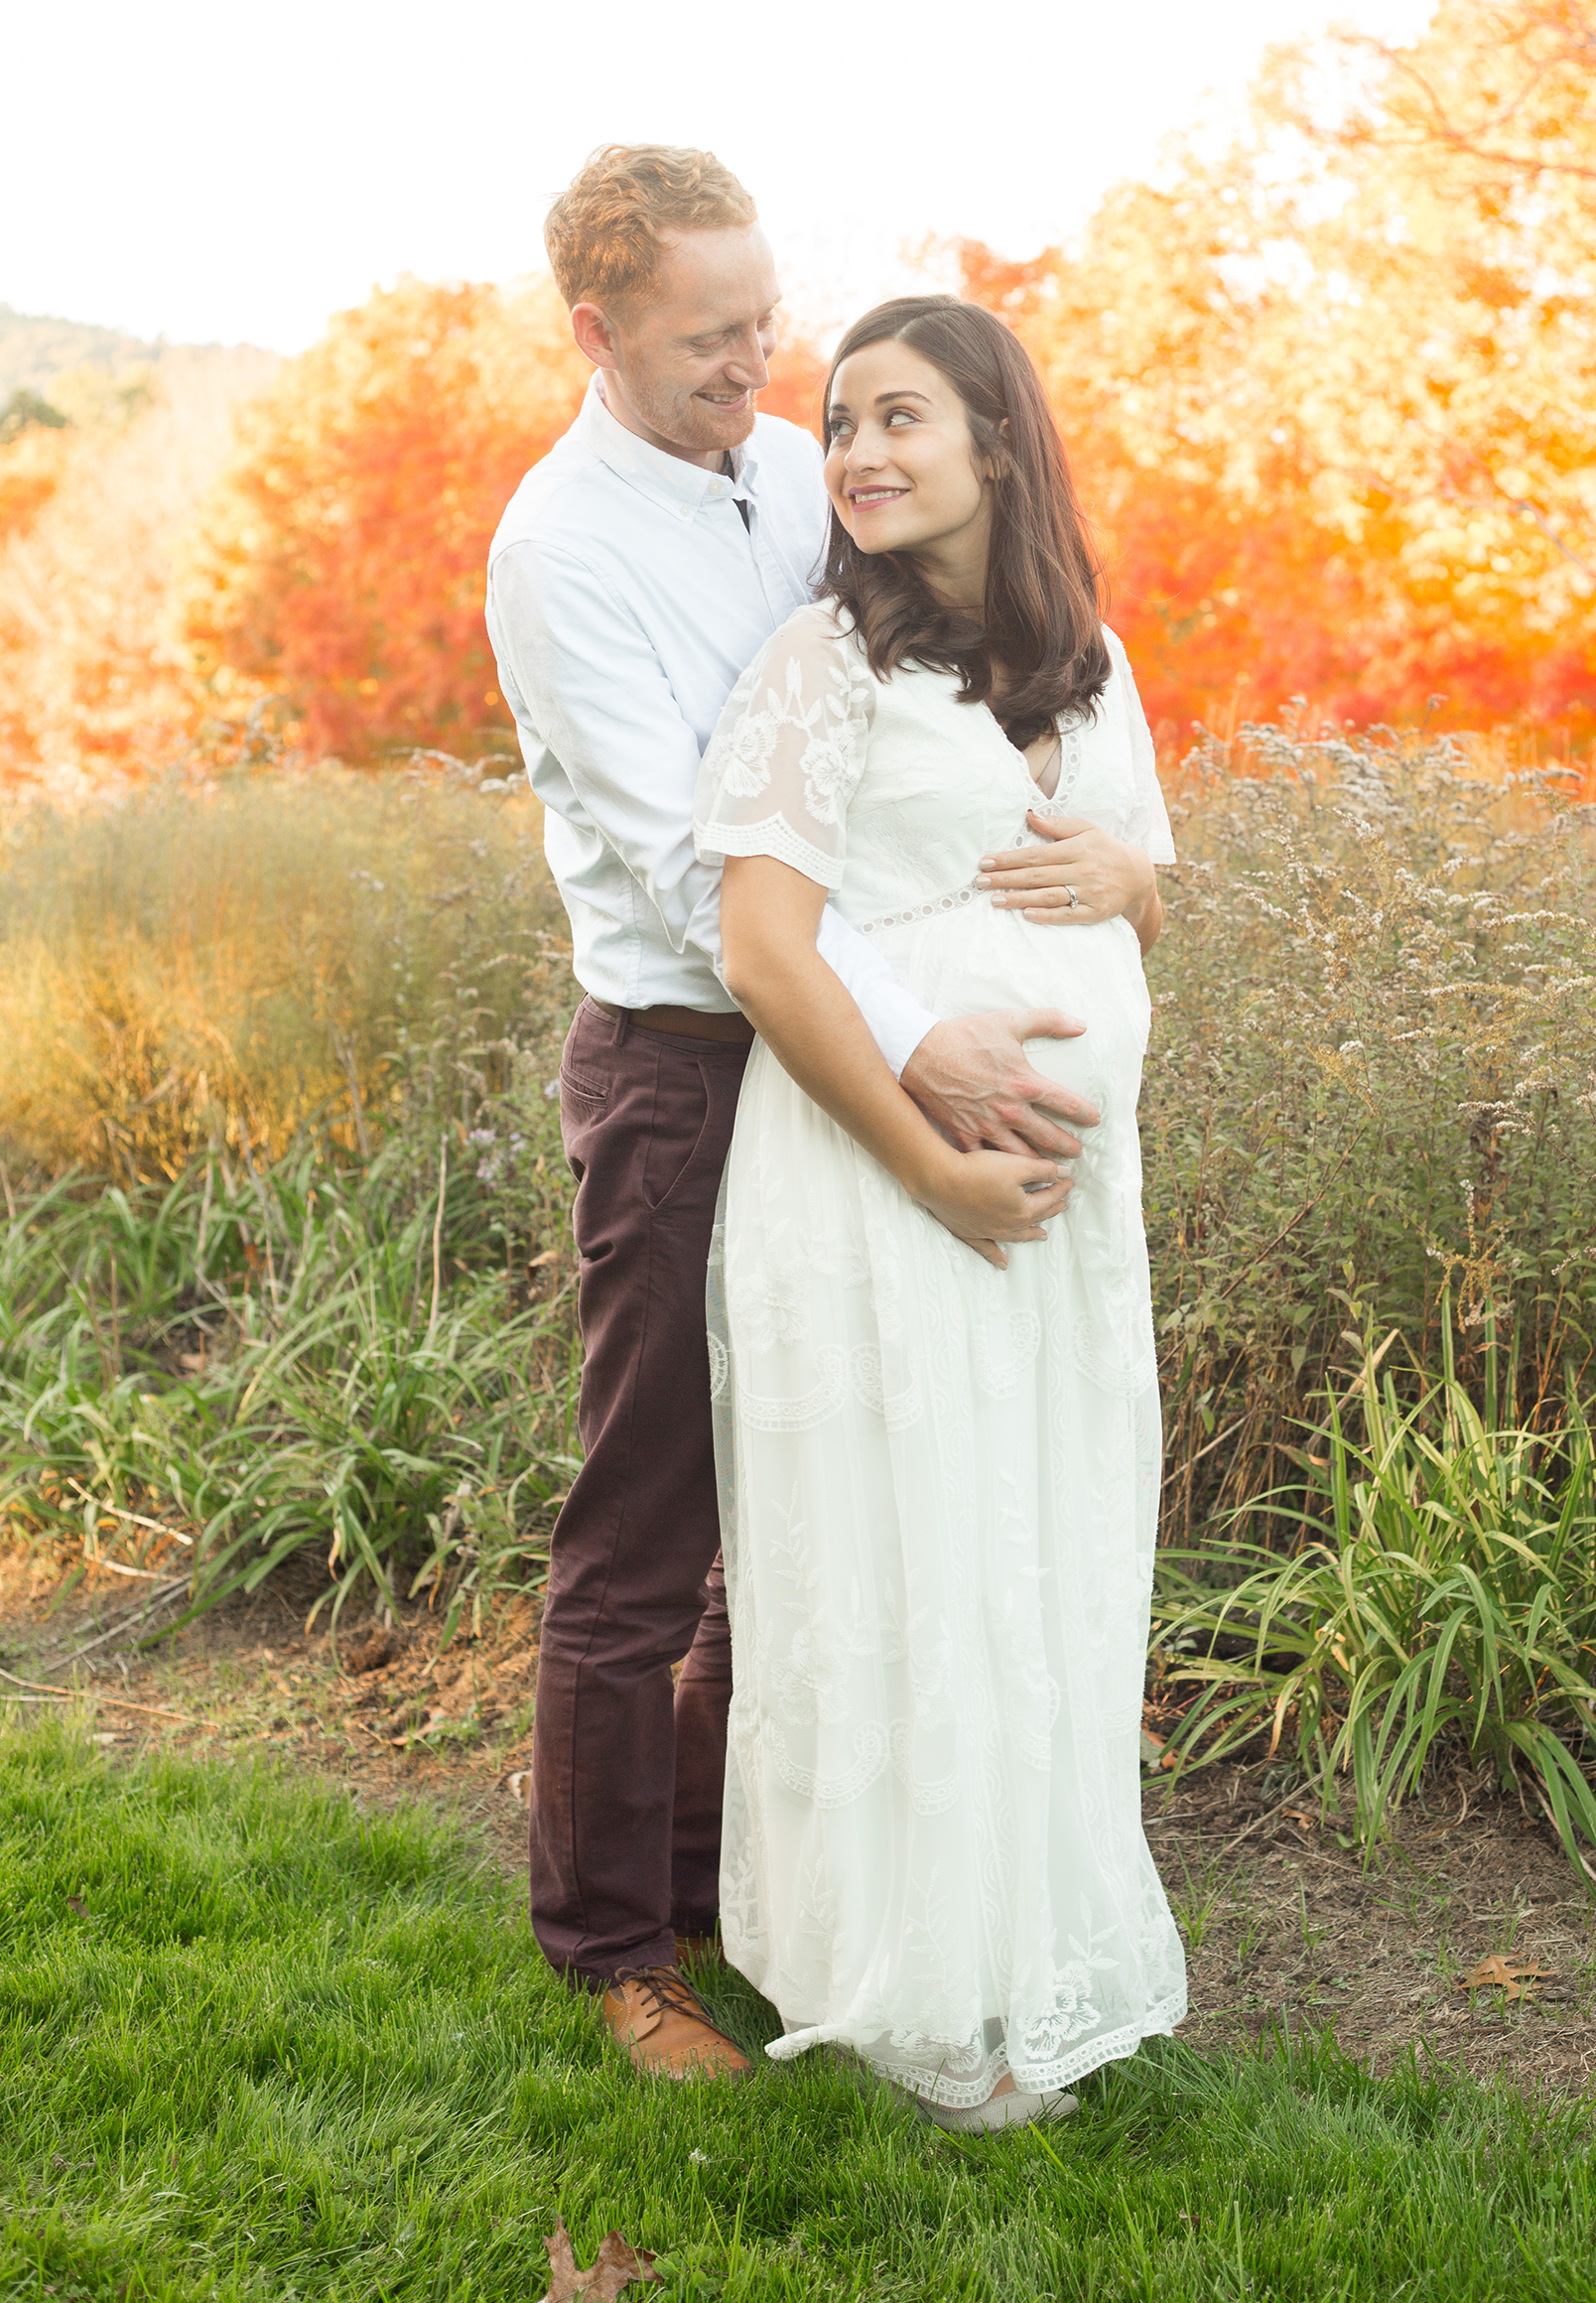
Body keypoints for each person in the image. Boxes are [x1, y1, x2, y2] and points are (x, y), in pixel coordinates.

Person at [485, 149, 1150, 2080]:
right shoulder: (559, 553)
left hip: (821, 1058)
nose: (754, 363)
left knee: (782, 1505)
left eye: (764, 319)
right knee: (646, 1518)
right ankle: (616, 1954)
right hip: (689, 1070)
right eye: (711, 337)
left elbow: (890, 705)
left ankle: (716, 1881)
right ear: (598, 332)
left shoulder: (785, 465)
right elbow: (714, 880)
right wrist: (919, 1044)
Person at [692, 294, 1188, 2129]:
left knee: (1032, 1551)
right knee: (914, 1553)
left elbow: (1132, 890)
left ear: (998, 441)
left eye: (901, 416)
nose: (861, 453)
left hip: (1059, 1211)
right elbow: (761, 945)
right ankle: (909, 1993)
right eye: (840, 424)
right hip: (877, 1182)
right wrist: (933, 1157)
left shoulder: (1093, 663)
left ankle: (1018, 1947)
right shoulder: (826, 664)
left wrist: (1136, 873)